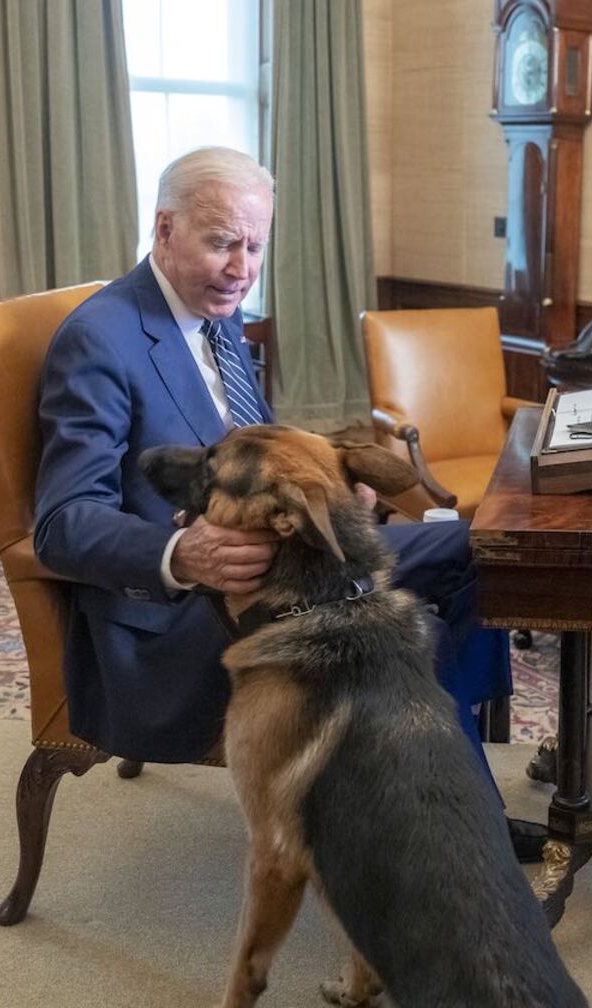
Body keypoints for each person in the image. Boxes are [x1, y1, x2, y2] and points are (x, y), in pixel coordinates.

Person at [32, 146, 540, 856]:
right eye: (221, 243)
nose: (241, 267)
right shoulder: (99, 340)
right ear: (164, 230)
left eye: (255, 245)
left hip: (282, 568)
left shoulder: (219, 314)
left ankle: (435, 768)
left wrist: (331, 477)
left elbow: (255, 452)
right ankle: (448, 811)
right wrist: (184, 553)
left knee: (478, 548)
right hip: (177, 618)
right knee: (407, 625)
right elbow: (60, 525)